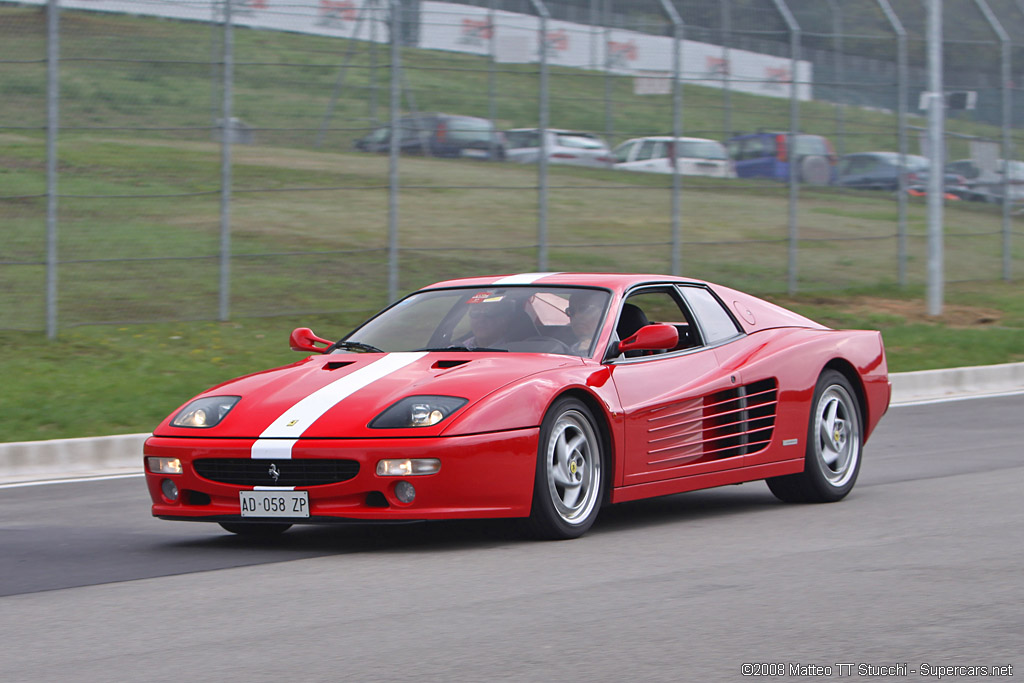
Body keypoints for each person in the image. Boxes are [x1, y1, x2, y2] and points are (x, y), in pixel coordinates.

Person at [566, 290, 605, 355]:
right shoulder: (560, 344)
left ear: (603, 313)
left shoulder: (616, 347)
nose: (576, 316)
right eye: (571, 311)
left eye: (585, 309)